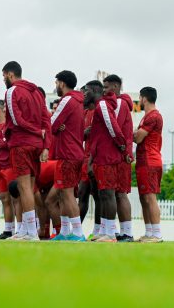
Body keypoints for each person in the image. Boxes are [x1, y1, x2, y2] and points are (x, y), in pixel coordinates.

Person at [2, 61, 50, 241]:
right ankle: (24, 229)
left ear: (9, 74)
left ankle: (31, 231)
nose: (3, 80)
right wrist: (45, 144)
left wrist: (36, 132)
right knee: (28, 187)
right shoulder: (37, 92)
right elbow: (47, 120)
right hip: (36, 145)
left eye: (3, 76)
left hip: (21, 143)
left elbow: (15, 120)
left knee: (24, 187)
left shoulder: (12, 91)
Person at [47, 71, 85, 242]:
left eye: (56, 83)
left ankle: (77, 232)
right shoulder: (77, 101)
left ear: (62, 83)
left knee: (68, 193)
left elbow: (52, 124)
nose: (56, 86)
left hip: (69, 153)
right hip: (71, 152)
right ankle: (64, 231)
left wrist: (57, 125)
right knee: (63, 193)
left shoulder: (68, 100)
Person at [88, 83, 129, 242]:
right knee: (103, 194)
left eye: (86, 91)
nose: (84, 93)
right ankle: (105, 230)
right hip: (102, 155)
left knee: (108, 193)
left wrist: (121, 144)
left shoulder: (103, 104)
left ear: (94, 91)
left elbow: (112, 125)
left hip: (108, 156)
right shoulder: (99, 105)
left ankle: (111, 233)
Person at [103, 74, 135, 242]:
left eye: (106, 87)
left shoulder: (120, 103)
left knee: (120, 194)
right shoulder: (120, 103)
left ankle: (126, 232)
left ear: (115, 87)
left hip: (120, 155)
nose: (104, 91)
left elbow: (112, 128)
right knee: (116, 194)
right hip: (121, 153)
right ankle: (122, 232)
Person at [134, 87, 164, 243]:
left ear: (144, 98)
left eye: (139, 98)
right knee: (143, 198)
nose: (139, 101)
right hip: (143, 161)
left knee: (150, 198)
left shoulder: (153, 116)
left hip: (150, 161)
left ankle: (157, 234)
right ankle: (149, 232)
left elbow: (138, 138)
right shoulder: (145, 117)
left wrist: (132, 133)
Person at [0, 100, 16, 239]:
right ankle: (8, 229)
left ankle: (22, 228)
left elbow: (9, 142)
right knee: (5, 198)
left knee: (16, 199)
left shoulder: (9, 126)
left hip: (10, 166)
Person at [80, 82, 101, 238]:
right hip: (85, 158)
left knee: (99, 195)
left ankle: (99, 230)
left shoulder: (101, 110)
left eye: (85, 92)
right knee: (82, 193)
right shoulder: (85, 112)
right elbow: (80, 134)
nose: (83, 95)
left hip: (98, 158)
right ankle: (76, 231)